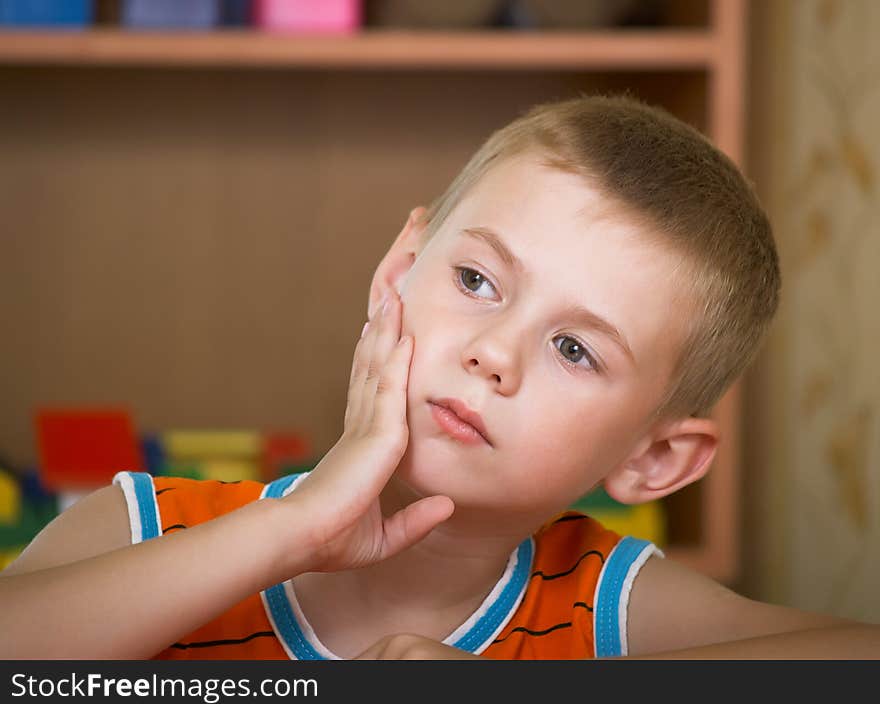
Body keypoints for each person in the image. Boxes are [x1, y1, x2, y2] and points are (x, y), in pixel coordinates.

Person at [2, 94, 877, 660]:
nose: (492, 352)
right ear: (395, 278)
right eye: (476, 282)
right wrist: (294, 528)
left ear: (654, 462)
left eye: (575, 349)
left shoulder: (609, 612)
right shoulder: (136, 525)